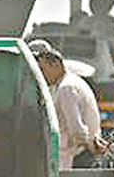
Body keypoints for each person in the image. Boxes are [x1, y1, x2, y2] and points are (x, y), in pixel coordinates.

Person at [31, 39, 107, 169]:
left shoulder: (66, 89)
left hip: (76, 158)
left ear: (55, 64)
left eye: (43, 70)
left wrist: (90, 144)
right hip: (81, 153)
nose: (41, 76)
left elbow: (76, 130)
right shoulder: (71, 82)